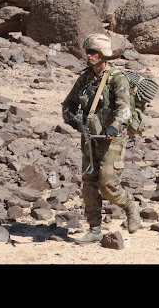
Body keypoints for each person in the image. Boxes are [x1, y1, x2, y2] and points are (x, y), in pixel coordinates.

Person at [62, 34, 141, 243]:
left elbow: (125, 109)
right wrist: (74, 121)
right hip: (90, 138)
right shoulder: (86, 78)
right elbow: (68, 104)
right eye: (88, 52)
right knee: (89, 183)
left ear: (103, 54)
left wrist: (115, 128)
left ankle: (130, 206)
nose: (89, 56)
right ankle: (94, 229)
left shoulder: (117, 77)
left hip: (112, 139)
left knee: (107, 184)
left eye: (93, 52)